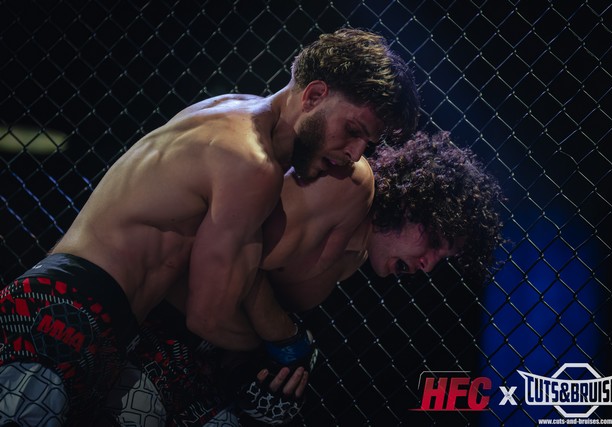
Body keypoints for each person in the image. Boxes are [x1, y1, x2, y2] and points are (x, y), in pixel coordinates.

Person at [0, 28, 419, 426]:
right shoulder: (251, 162)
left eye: (367, 143)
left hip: (87, 313)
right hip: (68, 310)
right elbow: (209, 317)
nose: (355, 154)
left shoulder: (230, 110)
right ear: (313, 95)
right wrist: (283, 349)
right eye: (352, 131)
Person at [105, 131, 504, 426]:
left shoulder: (353, 257)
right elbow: (237, 255)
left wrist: (269, 369)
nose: (428, 265)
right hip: (154, 321)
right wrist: (286, 337)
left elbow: (253, 310)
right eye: (432, 242)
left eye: (442, 260)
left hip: (201, 357)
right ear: (412, 202)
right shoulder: (345, 187)